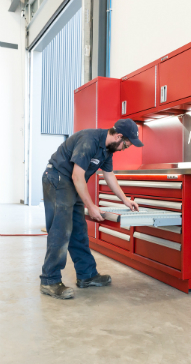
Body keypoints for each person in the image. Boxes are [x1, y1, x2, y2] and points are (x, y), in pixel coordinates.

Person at [40, 118, 143, 299]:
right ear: (119, 136)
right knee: (61, 230)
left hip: (72, 183)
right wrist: (91, 206)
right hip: (57, 178)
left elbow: (109, 177)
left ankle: (87, 275)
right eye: (126, 144)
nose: (125, 148)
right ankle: (49, 280)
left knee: (79, 230)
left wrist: (126, 200)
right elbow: (77, 175)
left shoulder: (107, 151)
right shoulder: (89, 140)